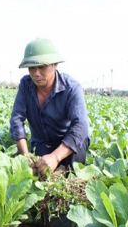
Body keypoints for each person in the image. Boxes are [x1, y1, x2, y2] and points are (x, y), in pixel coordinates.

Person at [10, 38, 90, 174]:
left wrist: (56, 157)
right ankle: (57, 171)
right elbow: (16, 119)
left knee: (76, 155)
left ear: (55, 65)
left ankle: (65, 170)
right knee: (40, 168)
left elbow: (81, 126)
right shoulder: (25, 84)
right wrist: (26, 156)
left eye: (42, 66)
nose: (36, 73)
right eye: (32, 68)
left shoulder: (71, 88)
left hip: (68, 144)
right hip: (43, 143)